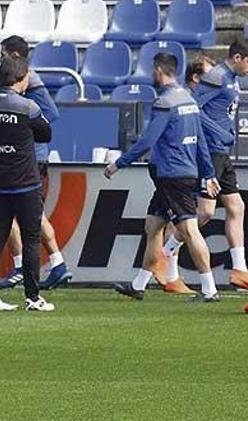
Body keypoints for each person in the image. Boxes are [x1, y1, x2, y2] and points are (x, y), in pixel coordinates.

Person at [109, 53, 221, 303]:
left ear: (158, 70)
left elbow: (148, 140)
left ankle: (210, 289)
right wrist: (209, 172)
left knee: (190, 231)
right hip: (178, 174)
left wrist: (119, 163)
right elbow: (201, 141)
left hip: (172, 175)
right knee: (153, 225)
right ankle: (139, 285)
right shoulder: (188, 100)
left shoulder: (165, 102)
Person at [157, 40, 248, 292]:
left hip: (221, 151)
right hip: (210, 150)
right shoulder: (217, 77)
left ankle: (240, 270)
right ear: (239, 57)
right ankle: (164, 257)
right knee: (205, 212)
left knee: (236, 206)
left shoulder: (230, 79)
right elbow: (193, 106)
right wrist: (217, 130)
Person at [0, 57, 55, 312]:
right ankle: (33, 298)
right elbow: (46, 133)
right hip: (25, 183)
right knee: (32, 239)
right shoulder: (27, 106)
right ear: (21, 79)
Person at [0, 36, 73, 291]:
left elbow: (51, 114)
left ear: (14, 56)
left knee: (24, 214)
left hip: (30, 158)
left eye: (3, 54)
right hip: (25, 156)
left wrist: (24, 125)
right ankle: (55, 263)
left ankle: (27, 266)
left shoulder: (30, 81)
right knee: (27, 214)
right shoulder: (21, 84)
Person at [151, 54, 215, 294]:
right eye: (207, 77)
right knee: (157, 224)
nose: (212, 82)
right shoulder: (185, 99)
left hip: (184, 167)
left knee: (193, 222)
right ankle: (158, 276)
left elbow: (203, 133)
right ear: (195, 78)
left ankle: (166, 258)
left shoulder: (187, 99)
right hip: (181, 167)